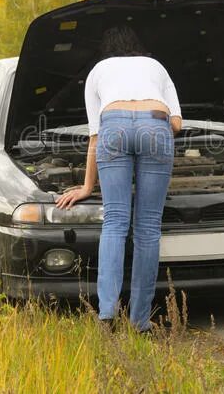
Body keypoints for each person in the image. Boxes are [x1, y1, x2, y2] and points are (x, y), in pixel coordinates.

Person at [55, 25, 182, 331]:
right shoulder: (156, 67)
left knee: (115, 221)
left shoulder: (99, 71)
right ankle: (140, 322)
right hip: (156, 123)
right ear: (137, 47)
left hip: (113, 125)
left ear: (107, 50)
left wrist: (88, 187)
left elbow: (95, 137)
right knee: (148, 227)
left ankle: (107, 314)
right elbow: (176, 124)